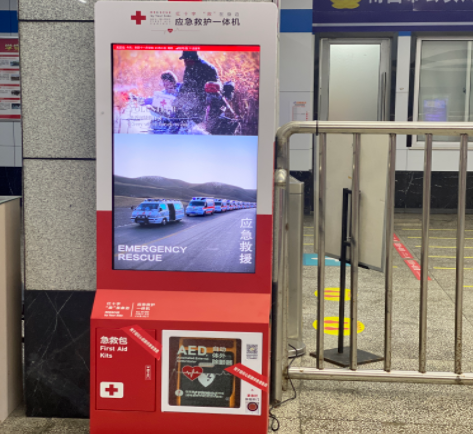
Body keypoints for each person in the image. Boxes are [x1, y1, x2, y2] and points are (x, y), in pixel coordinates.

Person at [174, 51, 218, 123]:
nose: (184, 62)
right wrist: (178, 100)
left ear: (192, 58)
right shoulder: (189, 68)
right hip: (193, 99)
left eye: (186, 59)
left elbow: (214, 88)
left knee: (197, 120)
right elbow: (185, 85)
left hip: (206, 101)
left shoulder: (208, 68)